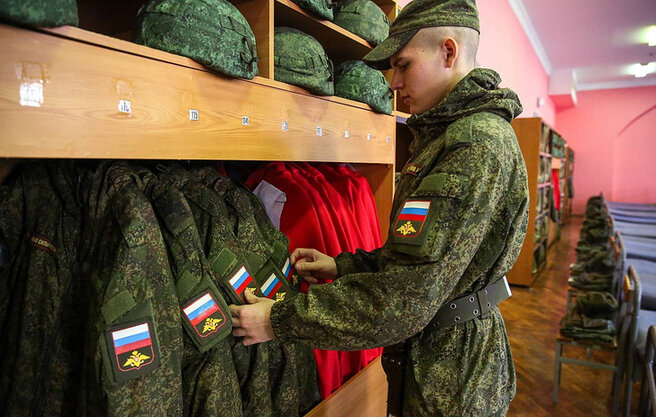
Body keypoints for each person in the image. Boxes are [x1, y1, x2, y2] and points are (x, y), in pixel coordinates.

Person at [230, 0, 529, 415]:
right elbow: (417, 258)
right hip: (440, 353)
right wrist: (342, 266)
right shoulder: (449, 137)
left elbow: (405, 299)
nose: (394, 82)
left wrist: (276, 320)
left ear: (448, 51)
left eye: (403, 65)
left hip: (452, 376)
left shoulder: (472, 145)